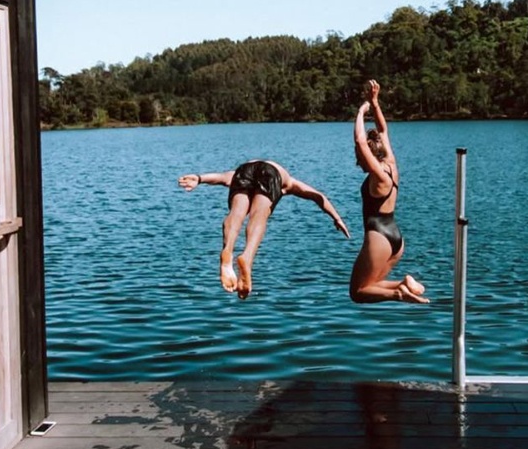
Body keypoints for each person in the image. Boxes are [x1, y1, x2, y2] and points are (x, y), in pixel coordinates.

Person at [178, 159, 350, 299]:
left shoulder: (243, 170)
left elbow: (223, 177)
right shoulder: (289, 182)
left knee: (237, 212)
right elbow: (317, 196)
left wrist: (199, 178)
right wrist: (336, 218)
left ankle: (227, 250)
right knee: (259, 215)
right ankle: (247, 257)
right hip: (271, 172)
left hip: (243, 169)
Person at [349, 80, 429, 304]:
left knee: (357, 292)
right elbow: (383, 130)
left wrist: (360, 112)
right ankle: (404, 284)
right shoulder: (391, 164)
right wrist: (374, 103)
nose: (359, 163)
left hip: (379, 236)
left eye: (360, 159)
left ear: (370, 157)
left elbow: (360, 141)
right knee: (370, 286)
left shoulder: (379, 175)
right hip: (395, 236)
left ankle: (399, 293)